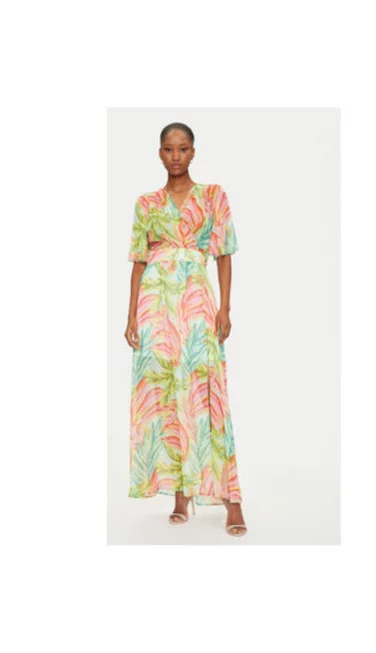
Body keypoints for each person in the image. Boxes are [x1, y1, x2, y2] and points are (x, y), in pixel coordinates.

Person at [124, 122, 247, 537]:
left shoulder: (213, 196)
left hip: (196, 302)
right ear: (159, 153)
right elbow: (139, 261)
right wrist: (131, 315)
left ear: (193, 152)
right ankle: (180, 494)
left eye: (182, 149)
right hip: (155, 306)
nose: (175, 156)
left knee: (206, 391)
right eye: (168, 149)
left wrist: (224, 307)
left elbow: (224, 254)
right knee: (166, 394)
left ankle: (231, 498)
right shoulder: (146, 204)